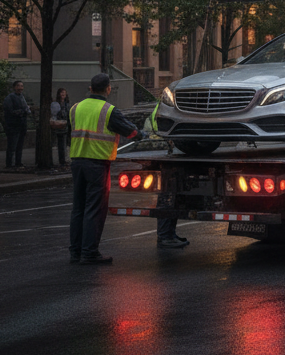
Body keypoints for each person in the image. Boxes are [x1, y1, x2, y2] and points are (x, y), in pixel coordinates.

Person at [68, 73, 142, 265]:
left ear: (90, 88)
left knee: (78, 208)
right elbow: (131, 131)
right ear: (108, 89)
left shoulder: (75, 108)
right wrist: (141, 134)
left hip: (77, 162)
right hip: (97, 164)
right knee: (94, 208)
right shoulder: (109, 111)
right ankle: (90, 252)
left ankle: (75, 251)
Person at [145, 102, 188, 250]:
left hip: (166, 153)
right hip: (166, 153)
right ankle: (165, 235)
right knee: (167, 196)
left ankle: (169, 234)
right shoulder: (167, 110)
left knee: (171, 196)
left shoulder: (163, 108)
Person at [3, 80, 32, 170]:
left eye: (21, 86)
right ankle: (9, 163)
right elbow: (10, 111)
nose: (20, 88)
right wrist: (23, 111)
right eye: (18, 86)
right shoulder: (10, 97)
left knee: (19, 145)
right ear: (14, 87)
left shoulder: (22, 97)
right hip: (13, 125)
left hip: (21, 125)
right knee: (12, 145)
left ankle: (18, 162)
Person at [50, 88, 71, 169]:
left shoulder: (66, 104)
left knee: (64, 144)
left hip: (65, 125)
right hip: (59, 125)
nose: (63, 94)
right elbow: (55, 114)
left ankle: (63, 159)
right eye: (62, 93)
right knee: (60, 143)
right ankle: (61, 160)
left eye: (64, 93)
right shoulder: (57, 104)